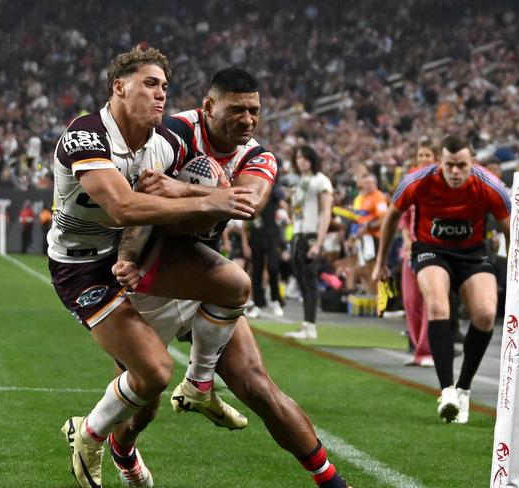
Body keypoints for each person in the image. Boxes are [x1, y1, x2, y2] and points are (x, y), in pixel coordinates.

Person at [113, 68, 349, 488]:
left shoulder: (258, 156)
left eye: (254, 111)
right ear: (208, 106)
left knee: (257, 383)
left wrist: (182, 190)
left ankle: (331, 482)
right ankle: (122, 448)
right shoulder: (173, 132)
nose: (248, 120)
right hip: (150, 272)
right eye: (237, 109)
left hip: (202, 272)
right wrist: (128, 256)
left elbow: (249, 204)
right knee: (145, 404)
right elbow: (141, 199)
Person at [49, 47, 257, 488]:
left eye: (165, 86)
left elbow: (161, 202)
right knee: (154, 372)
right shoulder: (85, 135)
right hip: (81, 267)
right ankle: (88, 436)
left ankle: (199, 385)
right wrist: (209, 199)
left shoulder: (159, 144)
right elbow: (124, 206)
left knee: (233, 284)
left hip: (129, 256)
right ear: (119, 87)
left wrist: (193, 192)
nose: (161, 95)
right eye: (150, 84)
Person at [372, 134, 510, 424]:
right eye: (450, 165)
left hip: (472, 253)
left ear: (473, 163)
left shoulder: (489, 185)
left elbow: (510, 227)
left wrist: (517, 267)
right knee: (437, 303)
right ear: (440, 162)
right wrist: (381, 262)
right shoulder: (417, 180)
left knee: (485, 315)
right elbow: (392, 216)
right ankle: (446, 390)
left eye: (462, 165)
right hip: (430, 250)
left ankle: (463, 389)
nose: (456, 172)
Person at [284, 145, 333, 340]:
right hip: (297, 234)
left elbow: (326, 211)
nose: (301, 161)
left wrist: (318, 242)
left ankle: (311, 325)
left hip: (311, 233)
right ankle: (306, 323)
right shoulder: (296, 182)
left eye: (305, 157)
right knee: (302, 280)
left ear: (312, 159)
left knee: (310, 280)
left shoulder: (321, 180)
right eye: (298, 157)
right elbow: (293, 213)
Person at [399, 140, 437, 367]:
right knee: (411, 301)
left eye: (428, 155)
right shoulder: (409, 183)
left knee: (429, 299)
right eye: (421, 155)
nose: (424, 159)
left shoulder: (439, 185)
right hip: (410, 250)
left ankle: (426, 350)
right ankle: (417, 348)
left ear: (435, 160)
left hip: (432, 249)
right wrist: (406, 242)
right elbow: (403, 217)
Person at [246, 179, 287, 318]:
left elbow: (284, 204)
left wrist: (285, 212)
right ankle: (258, 303)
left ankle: (276, 300)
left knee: (273, 267)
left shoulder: (275, 189)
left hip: (272, 235)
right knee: (256, 270)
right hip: (257, 234)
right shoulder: (252, 187)